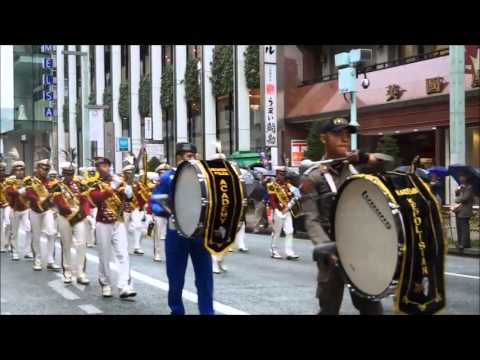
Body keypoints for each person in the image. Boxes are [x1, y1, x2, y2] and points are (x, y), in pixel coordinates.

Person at [300, 116, 388, 315]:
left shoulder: (358, 168)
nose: (344, 139)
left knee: (371, 308)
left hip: (361, 250)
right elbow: (311, 218)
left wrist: (366, 158)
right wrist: (324, 247)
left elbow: (389, 164)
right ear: (323, 138)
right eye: (337, 134)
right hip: (332, 250)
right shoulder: (313, 177)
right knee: (329, 308)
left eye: (346, 134)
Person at [159, 142, 214, 315]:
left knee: (205, 277)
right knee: (175, 278)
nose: (190, 157)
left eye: (192, 154)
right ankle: (176, 310)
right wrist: (172, 211)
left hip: (200, 234)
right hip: (177, 232)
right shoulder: (168, 177)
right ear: (178, 157)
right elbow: (155, 201)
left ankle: (207, 311)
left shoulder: (205, 178)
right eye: (186, 154)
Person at [87, 157, 136, 298]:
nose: (103, 168)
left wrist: (128, 189)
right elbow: (96, 198)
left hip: (118, 221)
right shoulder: (93, 183)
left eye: (105, 165)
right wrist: (113, 187)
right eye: (100, 166)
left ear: (110, 166)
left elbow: (130, 198)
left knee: (123, 253)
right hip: (103, 222)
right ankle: (106, 284)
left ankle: (124, 285)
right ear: (97, 169)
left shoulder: (120, 180)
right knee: (104, 255)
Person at [51, 159, 91, 284]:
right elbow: (59, 202)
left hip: (78, 217)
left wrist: (83, 213)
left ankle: (80, 272)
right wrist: (69, 211)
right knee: (66, 244)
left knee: (81, 243)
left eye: (71, 173)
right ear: (63, 173)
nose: (68, 176)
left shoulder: (80, 184)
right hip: (65, 217)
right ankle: (67, 271)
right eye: (66, 173)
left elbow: (85, 200)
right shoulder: (57, 185)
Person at [21, 159, 61, 271]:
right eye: (43, 168)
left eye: (47, 168)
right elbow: (29, 194)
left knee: (52, 232)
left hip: (47, 210)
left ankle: (50, 260)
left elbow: (55, 196)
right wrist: (41, 198)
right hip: (35, 210)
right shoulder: (30, 180)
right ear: (37, 168)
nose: (45, 170)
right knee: (36, 235)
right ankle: (37, 260)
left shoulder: (51, 182)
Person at [268, 166, 299, 260]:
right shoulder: (271, 185)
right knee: (276, 232)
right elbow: (272, 199)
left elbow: (295, 196)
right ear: (277, 174)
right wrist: (277, 210)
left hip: (287, 210)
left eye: (283, 174)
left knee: (290, 231)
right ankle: (274, 250)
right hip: (277, 210)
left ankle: (289, 252)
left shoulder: (288, 185)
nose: (282, 176)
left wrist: (289, 205)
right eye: (280, 174)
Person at [4, 160, 32, 260]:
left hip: (25, 209)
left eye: (21, 170)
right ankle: (15, 251)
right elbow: (9, 192)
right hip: (14, 209)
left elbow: (31, 193)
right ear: (14, 171)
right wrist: (21, 191)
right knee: (14, 231)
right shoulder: (10, 181)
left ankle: (28, 251)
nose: (19, 172)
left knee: (29, 229)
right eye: (17, 170)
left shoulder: (28, 181)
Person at [149, 163, 171, 262]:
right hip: (160, 212)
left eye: (165, 172)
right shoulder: (157, 184)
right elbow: (154, 199)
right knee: (158, 234)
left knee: (171, 235)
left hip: (171, 212)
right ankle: (157, 253)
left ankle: (170, 253)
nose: (163, 174)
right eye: (161, 173)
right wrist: (156, 210)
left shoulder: (173, 182)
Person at [452, 174, 474, 250]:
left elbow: (465, 198)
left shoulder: (469, 187)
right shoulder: (460, 187)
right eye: (460, 177)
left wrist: (457, 199)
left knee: (464, 228)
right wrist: (457, 191)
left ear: (466, 178)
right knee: (459, 227)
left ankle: (464, 244)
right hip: (458, 210)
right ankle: (461, 243)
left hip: (465, 210)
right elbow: (457, 195)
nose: (460, 178)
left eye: (462, 177)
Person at [0, 159, 12, 253]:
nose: (1, 171)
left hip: (8, 205)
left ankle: (7, 243)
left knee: (8, 223)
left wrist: (8, 203)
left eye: (3, 169)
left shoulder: (9, 181)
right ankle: (2, 245)